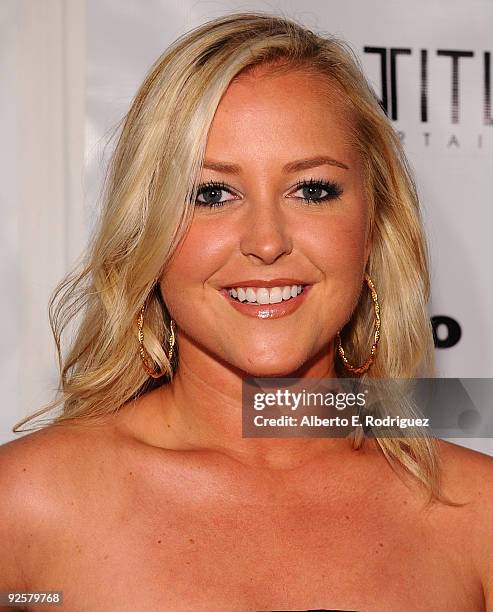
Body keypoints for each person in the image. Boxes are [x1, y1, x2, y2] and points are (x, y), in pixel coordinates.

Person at [1, 11, 492, 611]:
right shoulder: (26, 506)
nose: (266, 241)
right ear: (145, 232)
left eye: (312, 190)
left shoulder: (477, 517)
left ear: (374, 225)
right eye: (211, 193)